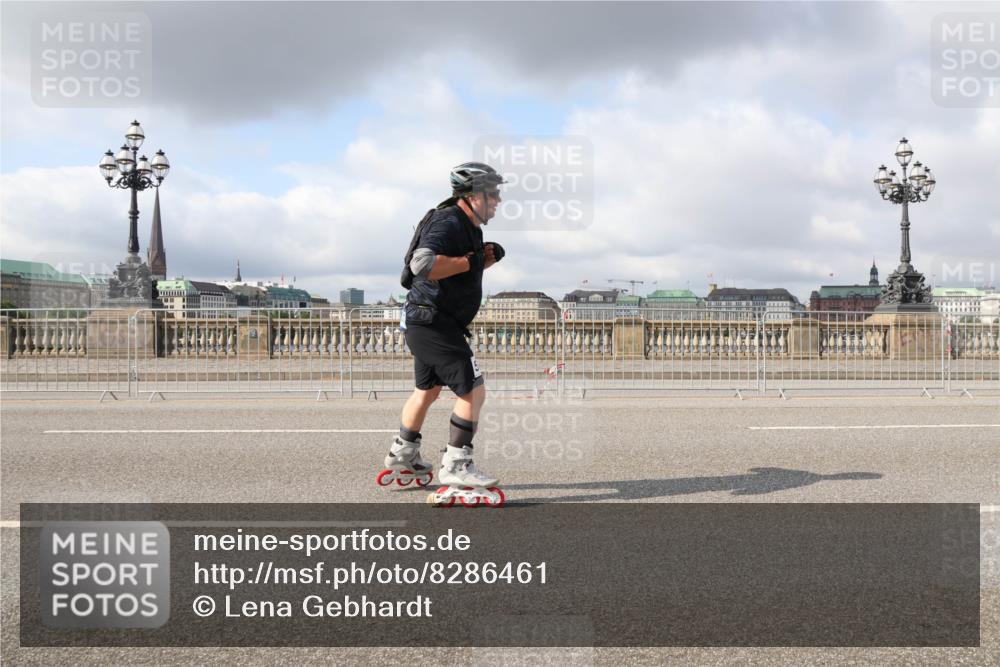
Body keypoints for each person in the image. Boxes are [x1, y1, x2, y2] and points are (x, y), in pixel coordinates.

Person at [376, 162, 507, 507]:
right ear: (474, 195)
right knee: (474, 390)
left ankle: (403, 453)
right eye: (493, 193)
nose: (498, 200)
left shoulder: (467, 225)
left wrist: (480, 259)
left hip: (427, 321)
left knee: (427, 390)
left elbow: (461, 263)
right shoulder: (449, 220)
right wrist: (472, 261)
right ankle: (457, 464)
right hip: (434, 321)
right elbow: (423, 264)